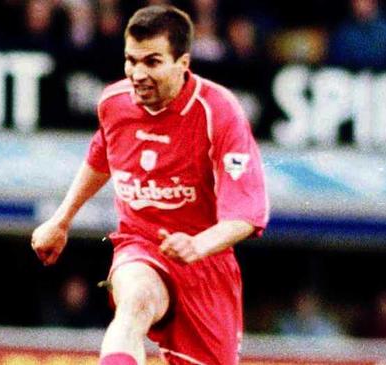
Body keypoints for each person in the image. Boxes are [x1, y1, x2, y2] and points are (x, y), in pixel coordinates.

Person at [31, 5, 268, 365]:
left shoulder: (218, 112)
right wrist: (61, 220)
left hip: (205, 262)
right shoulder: (114, 102)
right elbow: (102, 155)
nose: (137, 74)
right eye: (131, 60)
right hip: (140, 245)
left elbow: (248, 214)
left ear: (183, 63)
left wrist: (198, 244)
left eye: (152, 62)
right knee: (136, 301)